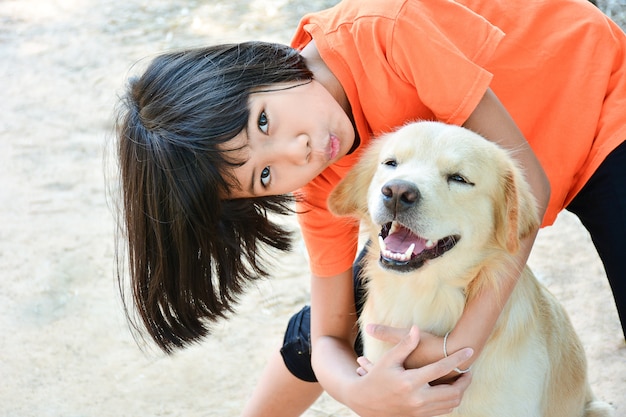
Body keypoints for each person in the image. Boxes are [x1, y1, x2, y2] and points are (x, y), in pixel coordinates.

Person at [113, 0, 626, 415]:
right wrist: (357, 392)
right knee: (374, 294)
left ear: (255, 68)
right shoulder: (318, 180)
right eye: (264, 176)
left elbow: (527, 185)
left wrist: (458, 348)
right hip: (468, 192)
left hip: (598, 99)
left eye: (264, 122)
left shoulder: (385, 28)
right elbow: (329, 331)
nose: (297, 152)